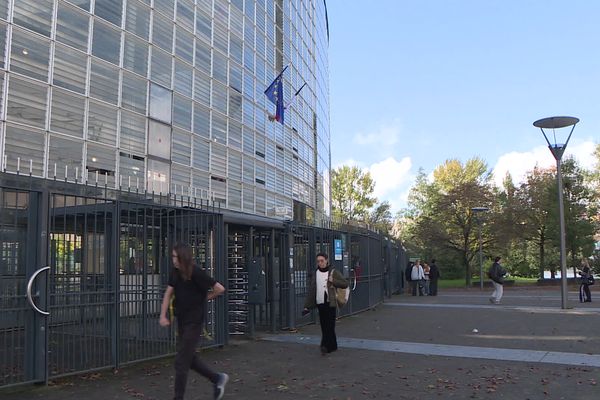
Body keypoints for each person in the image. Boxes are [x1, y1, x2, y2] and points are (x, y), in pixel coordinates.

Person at [159, 242, 229, 400]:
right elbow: (168, 294)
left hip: (195, 323)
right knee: (189, 359)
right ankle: (217, 378)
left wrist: (204, 299)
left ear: (183, 257)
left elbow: (219, 288)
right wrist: (163, 315)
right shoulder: (175, 273)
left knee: (181, 362)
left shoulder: (197, 273)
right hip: (182, 322)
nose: (173, 260)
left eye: (175, 257)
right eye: (172, 257)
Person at [302, 252, 349, 354]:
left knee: (330, 324)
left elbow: (345, 283)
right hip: (320, 302)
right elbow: (312, 290)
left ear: (327, 260)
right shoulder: (315, 273)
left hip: (330, 301)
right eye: (318, 261)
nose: (320, 263)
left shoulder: (333, 272)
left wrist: (334, 281)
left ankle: (325, 346)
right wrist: (307, 306)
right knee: (324, 324)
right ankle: (333, 345)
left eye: (322, 261)